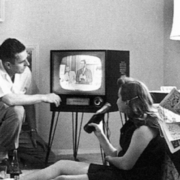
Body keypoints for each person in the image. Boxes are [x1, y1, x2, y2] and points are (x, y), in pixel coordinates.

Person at [20, 76, 166, 180]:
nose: (116, 101)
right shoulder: (133, 123)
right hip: (120, 171)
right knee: (61, 165)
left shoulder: (144, 130)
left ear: (128, 102)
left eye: (119, 97)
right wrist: (100, 135)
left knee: (63, 179)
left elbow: (125, 164)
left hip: (130, 177)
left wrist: (108, 159)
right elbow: (118, 156)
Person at [0, 38, 61, 169]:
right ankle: (2, 156)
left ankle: (12, 155)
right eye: (22, 62)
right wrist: (44, 97)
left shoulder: (24, 71)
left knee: (48, 159)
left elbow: (28, 101)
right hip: (2, 125)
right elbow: (10, 100)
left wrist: (33, 131)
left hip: (14, 130)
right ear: (8, 64)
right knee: (17, 110)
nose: (27, 63)